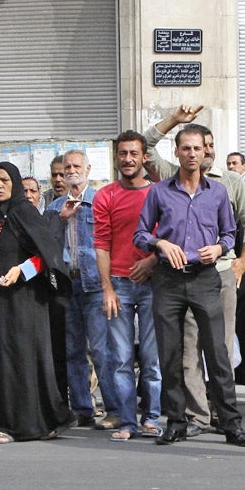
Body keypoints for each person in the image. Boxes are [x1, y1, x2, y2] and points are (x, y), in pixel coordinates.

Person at [134, 127, 245, 448]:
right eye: (185, 148)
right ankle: (176, 422)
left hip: (205, 278)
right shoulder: (160, 192)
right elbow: (141, 233)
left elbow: (231, 233)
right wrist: (160, 243)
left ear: (205, 153)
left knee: (218, 354)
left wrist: (219, 249)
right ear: (177, 152)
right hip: (169, 279)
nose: (191, 154)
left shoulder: (216, 192)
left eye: (196, 148)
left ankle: (231, 423)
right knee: (172, 354)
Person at [0, 162, 72, 444]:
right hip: (5, 304)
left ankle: (16, 427)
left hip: (26, 303)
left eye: (4, 180)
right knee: (17, 360)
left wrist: (21, 270)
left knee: (21, 361)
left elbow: (47, 252)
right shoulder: (0, 218)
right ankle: (43, 421)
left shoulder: (24, 212)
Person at [93, 131, 162, 441]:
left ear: (144, 157)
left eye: (134, 153)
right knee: (119, 359)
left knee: (152, 359)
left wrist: (152, 263)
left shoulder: (159, 193)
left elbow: (169, 238)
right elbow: (101, 244)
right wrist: (106, 288)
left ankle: (151, 418)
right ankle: (127, 422)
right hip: (118, 285)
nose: (128, 159)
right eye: (123, 153)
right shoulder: (105, 195)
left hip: (153, 283)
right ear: (116, 157)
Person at [45, 150, 114, 429]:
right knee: (73, 350)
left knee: (100, 349)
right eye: (66, 167)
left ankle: (113, 407)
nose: (71, 171)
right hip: (67, 283)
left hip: (96, 284)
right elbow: (46, 244)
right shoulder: (54, 207)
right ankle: (82, 408)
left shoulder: (101, 200)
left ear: (87, 168)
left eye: (76, 166)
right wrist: (59, 219)